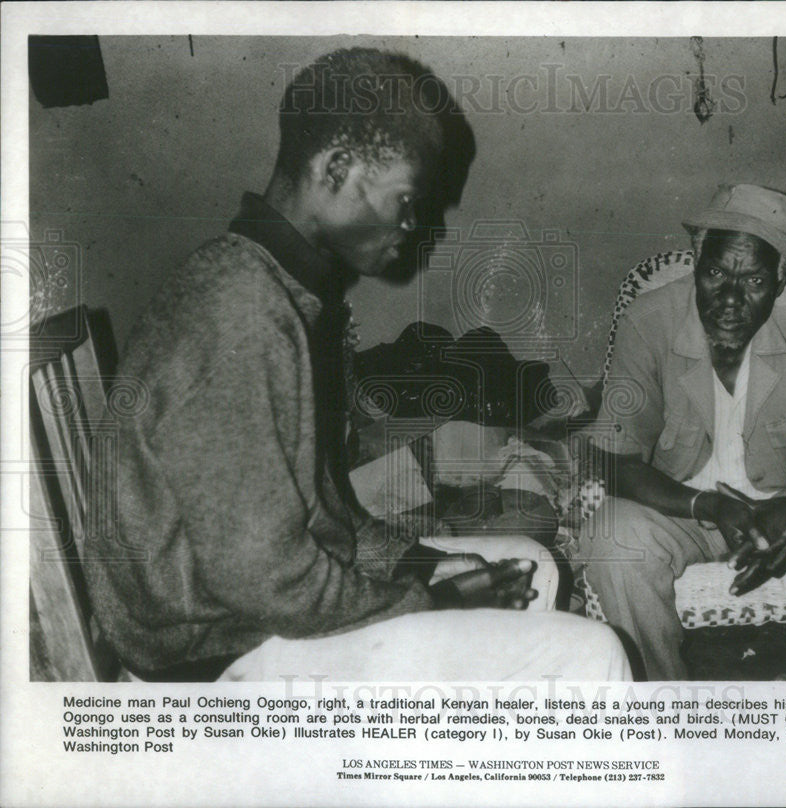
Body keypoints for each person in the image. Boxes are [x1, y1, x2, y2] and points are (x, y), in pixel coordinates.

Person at [84, 48, 630, 682]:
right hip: (212, 648)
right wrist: (430, 603)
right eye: (406, 199)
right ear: (337, 168)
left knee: (531, 563)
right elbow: (265, 579)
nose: (414, 225)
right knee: (595, 653)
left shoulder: (277, 292)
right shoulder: (238, 310)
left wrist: (420, 565)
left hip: (248, 613)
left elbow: (326, 520)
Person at [577, 183, 786, 680]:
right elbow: (616, 461)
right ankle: (661, 721)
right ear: (697, 261)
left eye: (754, 281)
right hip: (684, 511)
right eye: (715, 274)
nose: (730, 300)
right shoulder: (648, 321)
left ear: (781, 279)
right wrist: (708, 505)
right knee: (613, 538)